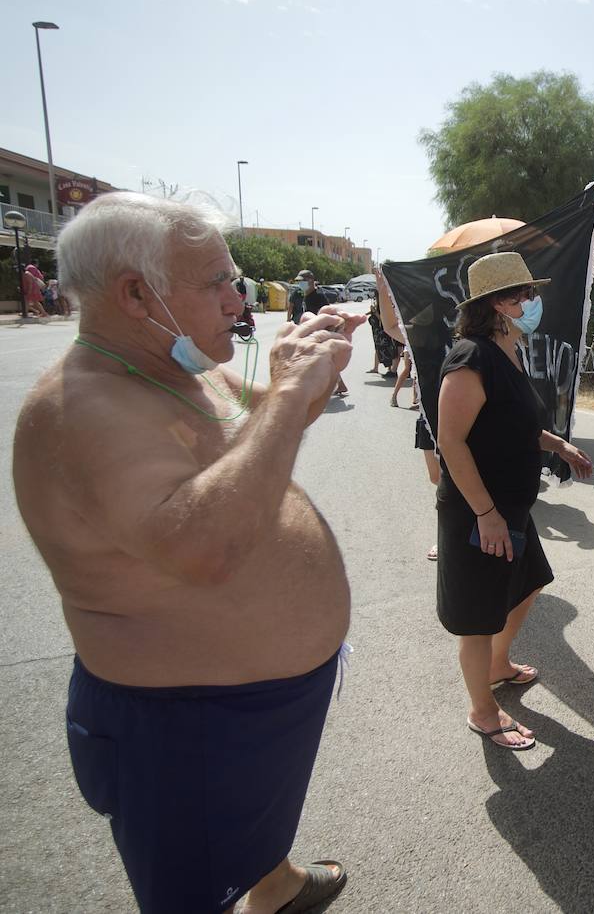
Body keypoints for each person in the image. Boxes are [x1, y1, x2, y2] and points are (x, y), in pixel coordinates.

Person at [12, 192, 366, 914]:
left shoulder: (179, 366)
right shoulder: (80, 408)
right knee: (188, 890)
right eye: (217, 283)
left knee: (250, 823)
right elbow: (204, 551)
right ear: (136, 294)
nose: (238, 299)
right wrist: (295, 394)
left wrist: (305, 373)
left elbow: (259, 426)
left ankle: (276, 885)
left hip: (247, 704)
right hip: (185, 725)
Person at [435, 251, 593, 750]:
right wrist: (486, 515)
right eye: (526, 294)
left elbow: (515, 423)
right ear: (500, 304)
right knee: (479, 616)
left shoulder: (511, 351)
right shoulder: (471, 356)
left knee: (528, 586)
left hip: (512, 510)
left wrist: (558, 444)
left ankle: (499, 666)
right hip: (481, 514)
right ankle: (483, 710)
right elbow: (451, 441)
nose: (534, 302)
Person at [378, 263, 446, 560]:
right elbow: (389, 326)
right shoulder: (416, 336)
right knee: (438, 479)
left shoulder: (459, 333)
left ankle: (449, 537)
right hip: (429, 418)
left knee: (452, 483)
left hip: (458, 417)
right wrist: (382, 287)